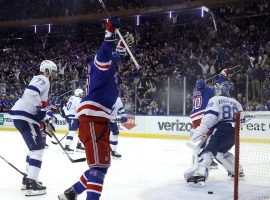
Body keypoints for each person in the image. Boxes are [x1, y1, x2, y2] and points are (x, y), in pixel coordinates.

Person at [58, 16, 133, 200]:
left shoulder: (110, 68)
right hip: (92, 119)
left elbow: (117, 55)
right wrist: (110, 32)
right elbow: (105, 52)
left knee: (102, 167)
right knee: (98, 169)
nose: (119, 59)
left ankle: (71, 193)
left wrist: (123, 44)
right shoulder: (100, 64)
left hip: (99, 120)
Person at [9, 60, 57, 196]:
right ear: (47, 70)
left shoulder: (42, 81)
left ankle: (27, 178)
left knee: (34, 148)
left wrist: (46, 121)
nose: (54, 74)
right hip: (26, 117)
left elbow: (40, 104)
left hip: (24, 117)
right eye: (52, 71)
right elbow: (31, 92)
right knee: (38, 148)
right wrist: (40, 108)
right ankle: (31, 182)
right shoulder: (42, 78)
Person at [184, 80, 244, 186]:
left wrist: (199, 132)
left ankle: (199, 173)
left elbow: (210, 118)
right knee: (221, 153)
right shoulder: (237, 103)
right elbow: (242, 120)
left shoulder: (215, 99)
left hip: (221, 130)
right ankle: (237, 171)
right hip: (234, 132)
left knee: (207, 151)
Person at [63, 88, 85, 152]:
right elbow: (80, 109)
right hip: (73, 117)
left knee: (82, 131)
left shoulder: (72, 98)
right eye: (81, 93)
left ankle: (79, 145)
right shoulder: (77, 99)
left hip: (74, 117)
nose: (82, 94)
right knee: (72, 132)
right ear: (77, 93)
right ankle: (67, 146)